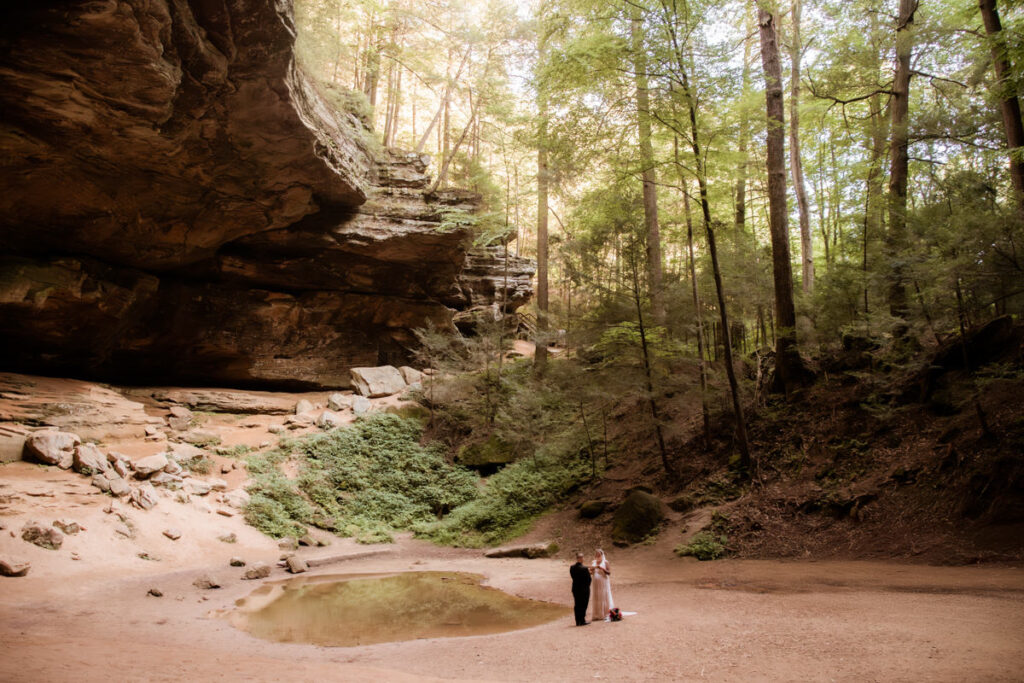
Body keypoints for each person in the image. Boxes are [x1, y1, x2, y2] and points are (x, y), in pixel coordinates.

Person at [590, 548, 615, 622]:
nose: (597, 555)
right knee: (597, 596)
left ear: (602, 554)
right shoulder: (593, 562)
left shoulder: (605, 562)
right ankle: (597, 614)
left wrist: (602, 568)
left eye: (599, 554)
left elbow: (609, 573)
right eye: (596, 554)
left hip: (603, 582)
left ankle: (604, 613)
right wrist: (592, 570)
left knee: (603, 596)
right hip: (595, 583)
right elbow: (591, 572)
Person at [569, 552, 591, 626]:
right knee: (583, 604)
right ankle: (582, 620)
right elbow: (589, 579)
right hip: (584, 589)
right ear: (581, 558)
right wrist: (587, 586)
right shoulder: (584, 568)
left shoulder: (572, 567)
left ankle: (577, 620)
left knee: (577, 605)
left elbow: (573, 577)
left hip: (575, 588)